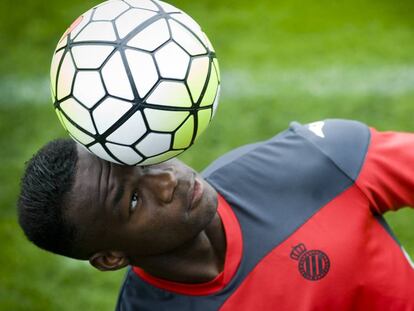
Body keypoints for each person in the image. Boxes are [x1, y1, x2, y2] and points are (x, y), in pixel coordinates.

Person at [17, 119, 414, 310]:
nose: (166, 180)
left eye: (145, 161)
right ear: (110, 257)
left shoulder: (312, 160)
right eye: (134, 200)